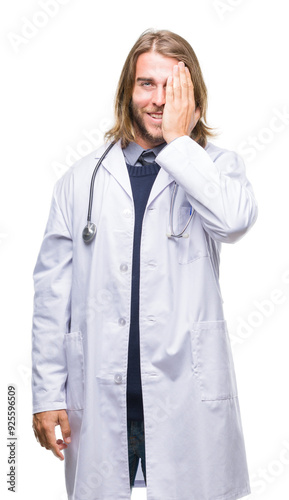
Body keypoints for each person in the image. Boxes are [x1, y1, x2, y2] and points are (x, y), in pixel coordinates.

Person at [32, 29, 258, 500]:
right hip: (102, 391)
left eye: (171, 85)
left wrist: (179, 143)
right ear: (126, 92)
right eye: (146, 85)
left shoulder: (217, 167)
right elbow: (52, 295)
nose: (158, 100)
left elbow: (233, 221)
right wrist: (47, 393)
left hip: (185, 392)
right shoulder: (80, 181)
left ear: (191, 94)